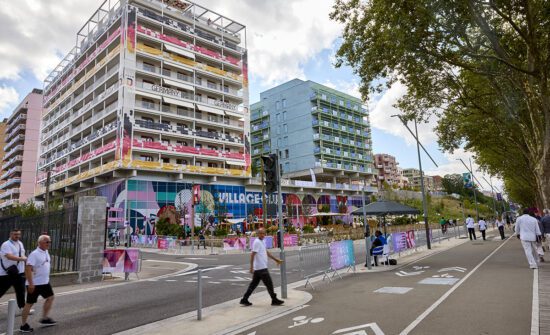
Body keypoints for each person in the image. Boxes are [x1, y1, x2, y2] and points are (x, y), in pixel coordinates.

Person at [20, 235, 57, 332]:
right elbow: (28, 268)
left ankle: (44, 318)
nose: (49, 244)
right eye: (46, 242)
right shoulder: (34, 254)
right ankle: (23, 325)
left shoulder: (46, 252)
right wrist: (31, 284)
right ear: (39, 243)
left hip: (45, 283)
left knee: (50, 297)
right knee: (29, 304)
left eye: (49, 242)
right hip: (35, 284)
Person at [240, 228, 284, 306]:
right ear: (258, 234)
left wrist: (276, 259)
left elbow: (266, 252)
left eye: (264, 233)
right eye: (261, 233)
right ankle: (274, 300)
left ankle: (244, 299)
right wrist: (251, 267)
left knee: (253, 285)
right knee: (269, 284)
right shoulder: (256, 242)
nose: (262, 235)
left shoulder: (263, 241)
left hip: (260, 268)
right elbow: (252, 255)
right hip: (261, 268)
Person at [0, 228, 33, 316]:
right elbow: (9, 256)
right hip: (7, 273)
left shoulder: (20, 244)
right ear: (11, 234)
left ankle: (22, 308)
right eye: (15, 234)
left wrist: (27, 260)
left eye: (18, 234)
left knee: (21, 291)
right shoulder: (6, 244)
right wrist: (22, 258)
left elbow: (22, 255)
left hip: (19, 272)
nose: (17, 236)